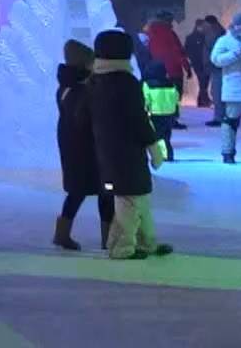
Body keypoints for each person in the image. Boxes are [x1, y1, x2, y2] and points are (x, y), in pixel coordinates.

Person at [88, 29, 172, 260]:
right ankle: (122, 247)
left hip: (107, 151)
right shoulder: (126, 83)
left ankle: (147, 242)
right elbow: (139, 120)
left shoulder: (95, 82)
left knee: (139, 199)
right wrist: (153, 147)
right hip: (128, 154)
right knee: (131, 200)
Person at [53, 39, 111, 251]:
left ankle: (62, 233)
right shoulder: (82, 90)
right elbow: (87, 119)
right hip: (88, 148)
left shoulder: (67, 87)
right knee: (105, 192)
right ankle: (108, 238)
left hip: (73, 146)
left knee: (78, 191)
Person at [211, 14, 241, 164]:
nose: (240, 29)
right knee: (230, 121)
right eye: (237, 26)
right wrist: (235, 54)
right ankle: (227, 152)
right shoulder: (224, 40)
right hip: (233, 88)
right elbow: (215, 59)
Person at [144, 12, 189, 127]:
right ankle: (172, 118)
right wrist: (187, 67)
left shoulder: (149, 33)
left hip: (155, 69)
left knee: (156, 95)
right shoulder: (169, 33)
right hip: (173, 68)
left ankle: (156, 118)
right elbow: (178, 51)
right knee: (174, 95)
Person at [142, 60, 180, 162]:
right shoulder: (171, 84)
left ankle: (164, 154)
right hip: (169, 114)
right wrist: (176, 111)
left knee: (158, 135)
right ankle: (168, 153)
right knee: (166, 135)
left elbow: (146, 99)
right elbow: (176, 98)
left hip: (155, 113)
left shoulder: (147, 85)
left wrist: (145, 111)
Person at [183, 20, 213, 110]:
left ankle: (203, 99)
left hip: (201, 62)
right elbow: (186, 50)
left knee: (204, 81)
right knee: (203, 80)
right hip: (199, 62)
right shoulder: (194, 37)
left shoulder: (202, 36)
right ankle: (203, 100)